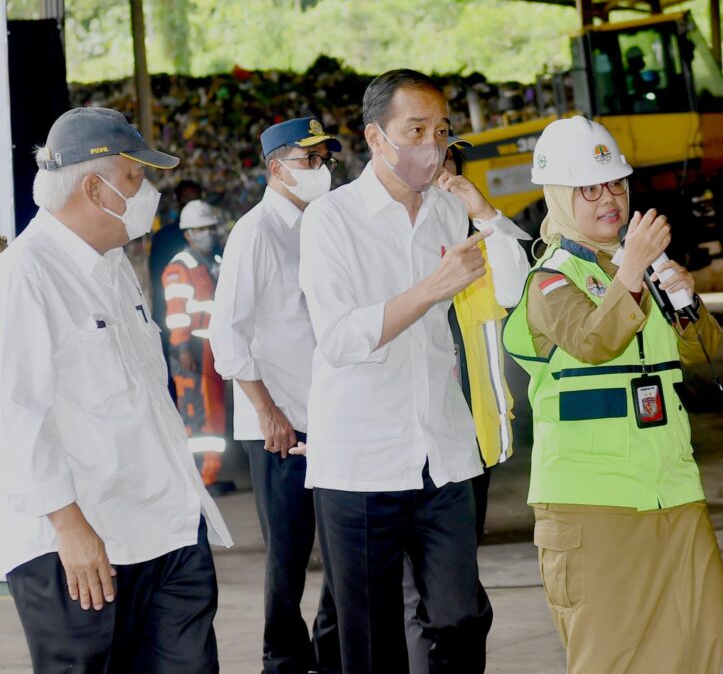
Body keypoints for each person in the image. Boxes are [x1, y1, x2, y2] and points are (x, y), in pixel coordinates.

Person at [299, 69, 530, 674]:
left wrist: (485, 215)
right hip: (361, 461)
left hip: (443, 453)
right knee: (371, 640)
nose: (434, 143)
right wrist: (432, 289)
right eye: (417, 130)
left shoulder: (449, 214)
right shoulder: (331, 220)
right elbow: (342, 339)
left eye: (443, 130)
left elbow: (513, 290)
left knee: (460, 619)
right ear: (377, 138)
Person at [0, 107, 232, 673]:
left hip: (165, 529)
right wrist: (68, 526)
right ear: (94, 187)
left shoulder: (114, 267)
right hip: (81, 546)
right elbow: (15, 413)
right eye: (135, 178)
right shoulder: (25, 276)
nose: (147, 191)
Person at [502, 115, 723, 673]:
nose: (609, 198)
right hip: (592, 497)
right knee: (612, 654)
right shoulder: (551, 279)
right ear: (560, 196)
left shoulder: (642, 269)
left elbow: (702, 350)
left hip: (670, 486)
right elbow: (592, 340)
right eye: (589, 189)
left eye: (616, 185)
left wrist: (684, 299)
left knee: (698, 632)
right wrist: (631, 272)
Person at [210, 117, 342, 674]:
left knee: (343, 556)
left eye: (322, 158)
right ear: (275, 168)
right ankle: (283, 660)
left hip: (335, 419)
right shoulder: (256, 232)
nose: (321, 169)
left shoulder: (326, 225)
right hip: (282, 427)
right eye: (309, 160)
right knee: (288, 559)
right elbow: (227, 334)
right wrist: (267, 411)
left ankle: (332, 656)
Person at [403, 135, 520, 674]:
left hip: (472, 438)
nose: (442, 169)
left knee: (457, 589)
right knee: (423, 593)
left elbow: (522, 283)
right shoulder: (392, 241)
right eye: (431, 157)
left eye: (450, 160)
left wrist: (484, 213)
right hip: (411, 440)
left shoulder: (483, 242)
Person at [162, 199, 230, 489]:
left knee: (214, 415)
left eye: (209, 227)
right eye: (199, 229)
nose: (207, 233)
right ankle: (200, 479)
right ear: (188, 234)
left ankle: (210, 474)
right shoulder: (180, 267)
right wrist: (182, 348)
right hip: (192, 353)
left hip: (212, 350)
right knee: (197, 417)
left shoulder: (214, 263)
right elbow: (176, 313)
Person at [150, 178, 203, 326]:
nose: (191, 203)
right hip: (171, 312)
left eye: (195, 198)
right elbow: (157, 281)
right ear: (178, 201)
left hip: (201, 317)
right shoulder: (164, 237)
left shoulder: (209, 235)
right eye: (187, 199)